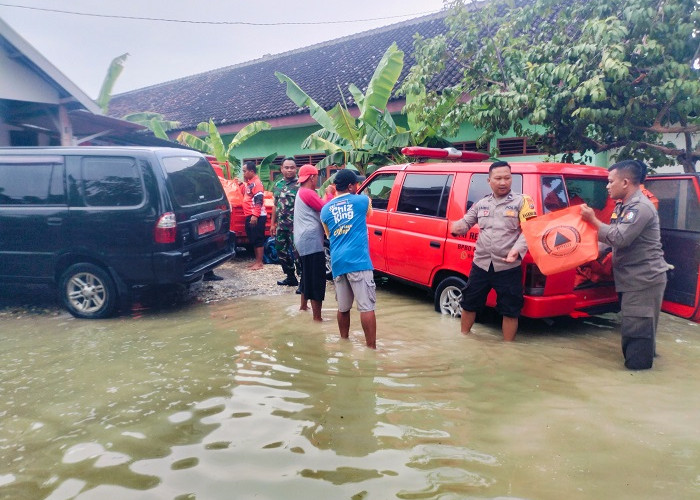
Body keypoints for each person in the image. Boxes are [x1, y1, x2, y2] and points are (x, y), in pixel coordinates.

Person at [580, 160, 669, 370]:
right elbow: (609, 241)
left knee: (636, 334)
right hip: (632, 279)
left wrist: (593, 220)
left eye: (611, 182)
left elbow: (619, 238)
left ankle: (638, 380)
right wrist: (584, 253)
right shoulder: (624, 205)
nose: (607, 186)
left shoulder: (640, 207)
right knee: (639, 331)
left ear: (626, 182)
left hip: (642, 280)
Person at [449, 160, 537, 341]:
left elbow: (531, 229)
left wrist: (516, 251)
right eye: (498, 178)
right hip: (480, 264)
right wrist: (455, 227)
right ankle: (463, 339)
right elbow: (466, 223)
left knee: (510, 309)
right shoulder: (481, 204)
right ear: (489, 181)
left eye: (507, 178)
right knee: (469, 303)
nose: (503, 182)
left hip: (508, 266)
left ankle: (508, 347)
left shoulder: (522, 202)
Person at [321, 169, 376, 349]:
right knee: (366, 307)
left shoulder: (325, 210)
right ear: (351, 186)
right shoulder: (362, 201)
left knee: (343, 308)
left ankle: (344, 342)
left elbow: (329, 235)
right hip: (358, 261)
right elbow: (369, 214)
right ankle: (371, 350)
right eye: (357, 184)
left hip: (338, 262)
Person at [293, 164, 334, 321]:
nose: (318, 179)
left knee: (307, 274)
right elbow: (326, 210)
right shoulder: (308, 193)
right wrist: (329, 195)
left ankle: (303, 306)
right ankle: (318, 319)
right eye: (317, 176)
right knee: (316, 278)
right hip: (311, 242)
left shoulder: (302, 192)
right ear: (312, 177)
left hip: (303, 240)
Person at [270, 157, 301, 287]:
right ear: (281, 169)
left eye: (292, 167)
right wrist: (273, 223)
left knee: (298, 254)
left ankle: (303, 282)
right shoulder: (278, 185)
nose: (289, 170)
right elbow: (275, 206)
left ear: (296, 169)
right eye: (286, 167)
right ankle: (290, 277)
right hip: (281, 226)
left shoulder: (300, 184)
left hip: (296, 227)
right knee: (280, 251)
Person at [239, 161, 267, 270]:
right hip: (250, 215)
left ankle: (259, 263)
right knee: (253, 238)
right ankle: (257, 261)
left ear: (251, 171)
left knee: (258, 238)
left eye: (245, 171)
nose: (244, 173)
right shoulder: (250, 183)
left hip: (256, 216)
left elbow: (259, 200)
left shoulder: (257, 183)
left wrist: (255, 215)